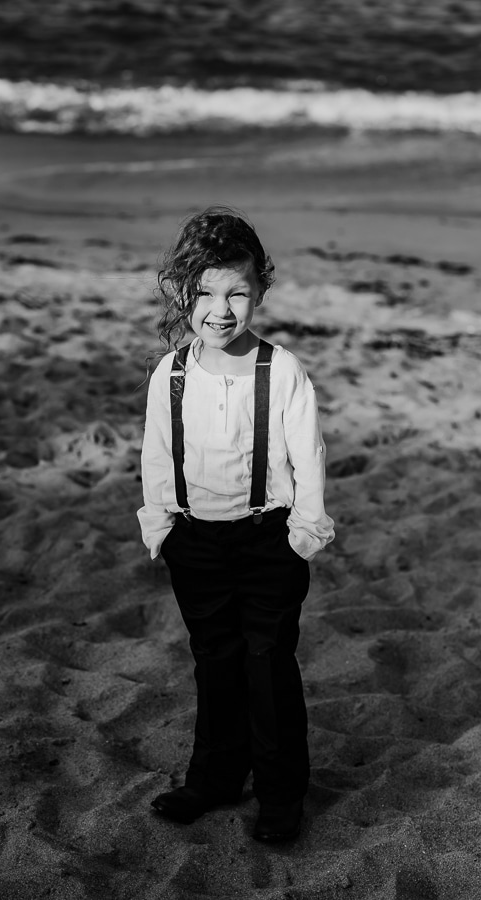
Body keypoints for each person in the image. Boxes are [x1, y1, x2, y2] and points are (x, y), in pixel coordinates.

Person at [137, 207, 334, 843]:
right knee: (213, 659)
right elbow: (157, 453)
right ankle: (215, 776)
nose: (220, 310)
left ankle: (280, 793)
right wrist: (161, 522)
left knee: (266, 662)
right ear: (181, 292)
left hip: (267, 538)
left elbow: (309, 456)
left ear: (260, 291)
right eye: (204, 293)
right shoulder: (170, 373)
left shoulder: (282, 372)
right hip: (195, 540)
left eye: (237, 293)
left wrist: (304, 531)